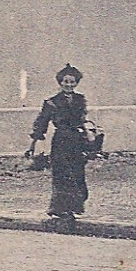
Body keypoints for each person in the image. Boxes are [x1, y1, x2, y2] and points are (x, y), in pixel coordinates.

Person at [28, 64, 91, 226]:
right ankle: (62, 210)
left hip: (77, 141)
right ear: (60, 83)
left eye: (72, 82)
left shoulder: (80, 100)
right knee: (63, 175)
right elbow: (41, 123)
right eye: (66, 82)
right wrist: (34, 143)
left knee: (78, 174)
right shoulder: (52, 102)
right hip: (61, 141)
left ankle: (75, 207)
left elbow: (83, 120)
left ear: (76, 83)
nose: (69, 85)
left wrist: (89, 134)